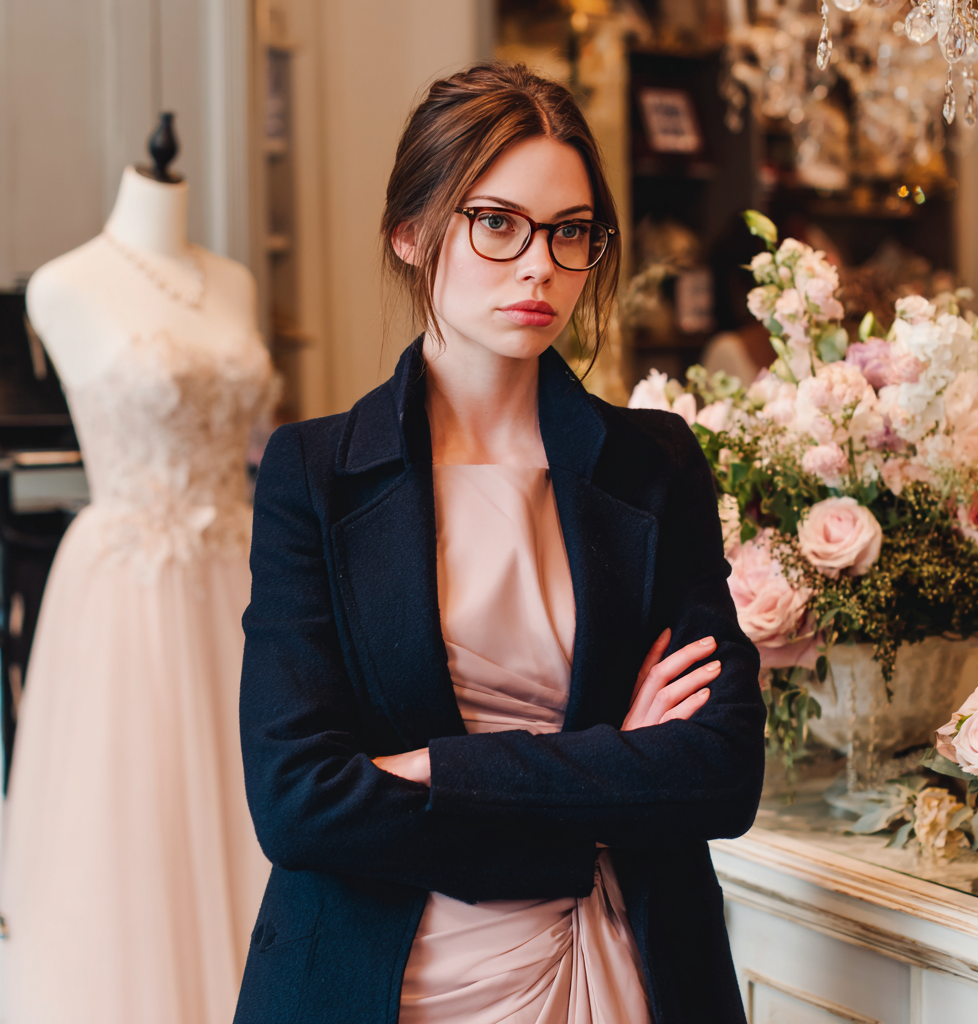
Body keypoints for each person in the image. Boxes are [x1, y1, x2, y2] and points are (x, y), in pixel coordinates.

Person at [234, 63, 764, 1024]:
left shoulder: (654, 463)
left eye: (571, 232)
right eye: (497, 223)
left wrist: (432, 768)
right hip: (380, 978)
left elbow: (721, 774)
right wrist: (608, 766)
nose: (540, 267)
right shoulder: (312, 472)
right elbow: (297, 801)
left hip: (625, 970)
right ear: (410, 233)